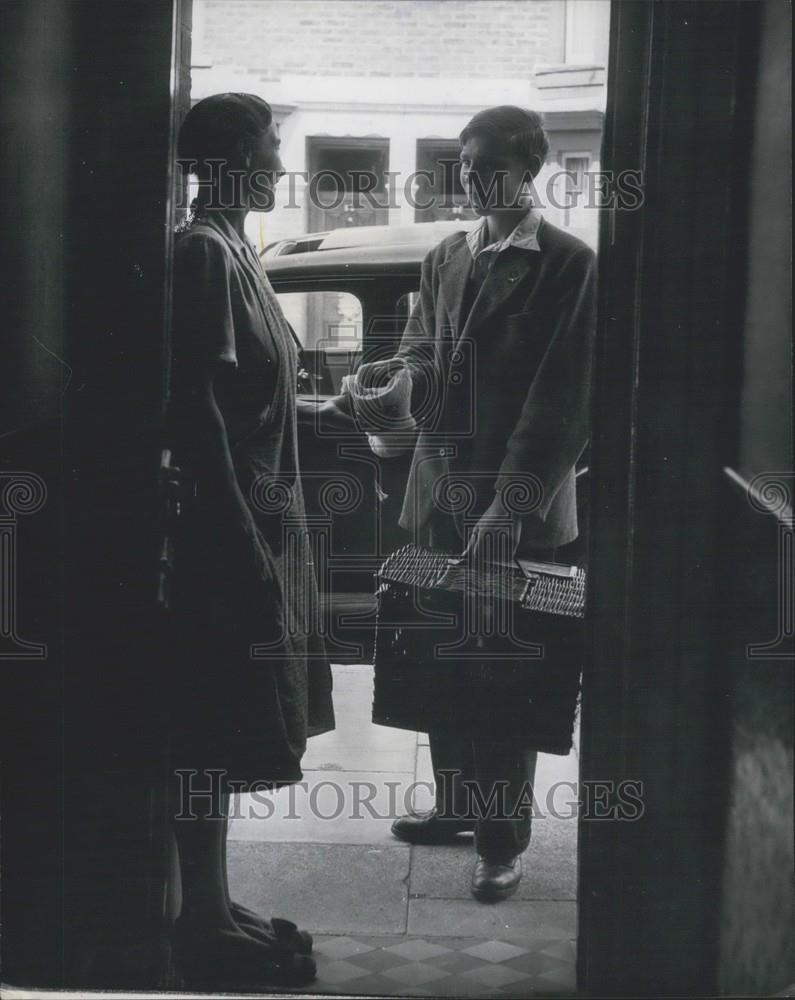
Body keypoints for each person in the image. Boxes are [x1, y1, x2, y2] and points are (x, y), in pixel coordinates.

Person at [359, 106, 596, 902]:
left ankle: (501, 839)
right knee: (440, 659)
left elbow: (561, 400)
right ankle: (460, 805)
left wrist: (510, 509)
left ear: (529, 163)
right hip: (439, 497)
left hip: (515, 510)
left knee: (504, 673)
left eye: (488, 160)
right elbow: (424, 353)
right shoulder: (447, 254)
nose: (471, 174)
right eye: (463, 160)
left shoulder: (567, 263)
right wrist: (393, 382)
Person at [166, 93, 335, 989]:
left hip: (264, 522)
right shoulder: (202, 254)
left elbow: (255, 398)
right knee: (208, 718)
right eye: (270, 147)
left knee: (231, 715)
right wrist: (236, 536)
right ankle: (198, 918)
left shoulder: (241, 249)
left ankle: (214, 899)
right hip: (228, 531)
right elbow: (195, 410)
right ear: (230, 160)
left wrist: (329, 405)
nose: (280, 162)